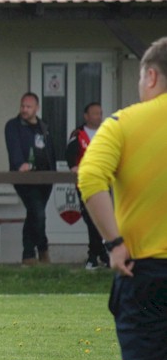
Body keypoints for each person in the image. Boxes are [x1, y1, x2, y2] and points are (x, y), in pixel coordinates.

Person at [78, 37, 167, 360]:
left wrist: (114, 244)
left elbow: (90, 176)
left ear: (151, 75)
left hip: (147, 272)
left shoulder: (122, 124)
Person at [4, 92, 56, 266]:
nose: (24, 110)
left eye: (28, 107)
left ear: (36, 108)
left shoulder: (43, 127)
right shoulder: (13, 125)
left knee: (34, 214)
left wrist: (53, 172)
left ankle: (28, 255)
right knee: (38, 213)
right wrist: (20, 164)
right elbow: (13, 147)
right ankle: (41, 250)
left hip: (45, 178)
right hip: (24, 178)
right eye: (22, 106)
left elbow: (50, 151)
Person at [65, 102, 108, 270]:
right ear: (86, 116)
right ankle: (97, 255)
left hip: (104, 183)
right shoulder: (78, 134)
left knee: (100, 219)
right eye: (95, 113)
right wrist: (73, 167)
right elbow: (69, 154)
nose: (98, 116)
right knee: (91, 219)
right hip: (84, 184)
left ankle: (96, 256)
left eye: (100, 113)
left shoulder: (106, 133)